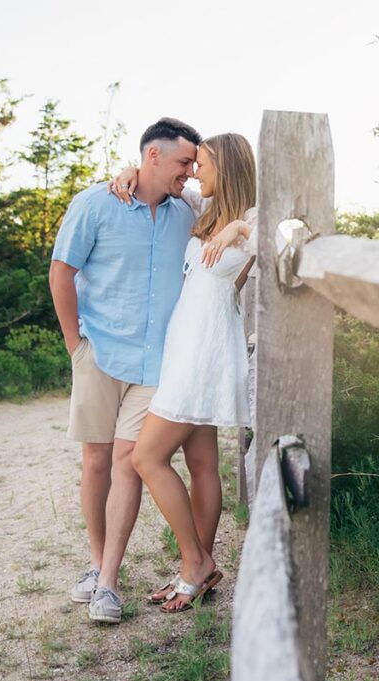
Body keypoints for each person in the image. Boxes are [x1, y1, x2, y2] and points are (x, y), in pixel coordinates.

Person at [49, 117, 207, 624]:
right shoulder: (95, 203)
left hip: (158, 362)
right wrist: (76, 345)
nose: (191, 171)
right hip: (100, 352)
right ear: (153, 156)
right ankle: (97, 566)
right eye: (184, 161)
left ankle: (109, 584)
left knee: (128, 461)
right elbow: (62, 272)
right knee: (95, 463)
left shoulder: (189, 211)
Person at [108, 133, 257, 613]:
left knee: (146, 458)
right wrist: (130, 172)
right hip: (188, 349)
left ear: (227, 169)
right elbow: (160, 183)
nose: (195, 172)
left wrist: (237, 228)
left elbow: (284, 229)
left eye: (204, 164)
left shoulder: (250, 216)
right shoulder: (201, 207)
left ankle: (196, 563)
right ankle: (198, 570)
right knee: (202, 464)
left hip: (202, 354)